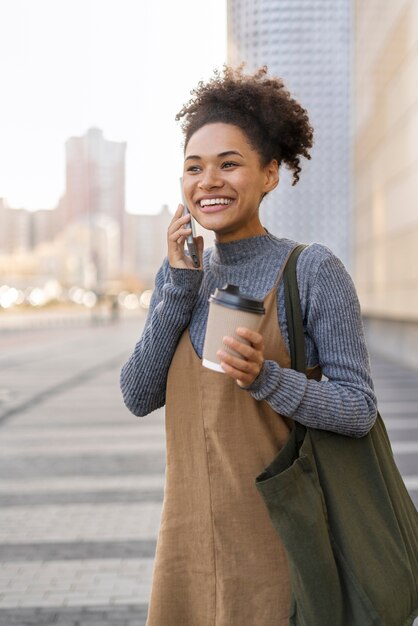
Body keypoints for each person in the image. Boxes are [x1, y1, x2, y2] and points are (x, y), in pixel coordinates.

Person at [120, 66, 377, 626]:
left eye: (229, 164)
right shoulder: (184, 275)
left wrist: (267, 380)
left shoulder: (311, 271)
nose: (208, 180)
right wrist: (178, 284)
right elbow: (138, 394)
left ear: (270, 175)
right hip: (187, 549)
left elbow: (358, 409)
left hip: (282, 549)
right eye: (194, 167)